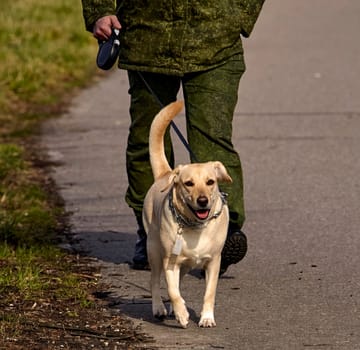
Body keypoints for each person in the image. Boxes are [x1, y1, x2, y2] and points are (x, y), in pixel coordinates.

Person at [82, 0, 265, 274]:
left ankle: (222, 233)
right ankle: (153, 231)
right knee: (149, 140)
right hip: (147, 35)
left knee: (212, 139)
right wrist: (100, 11)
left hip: (215, 38)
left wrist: (240, 15)